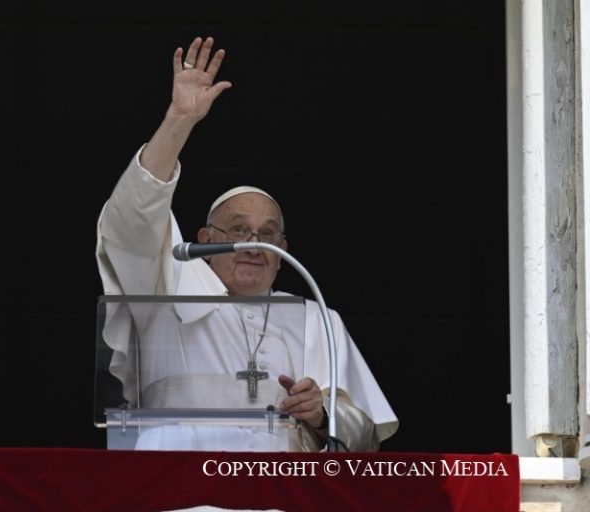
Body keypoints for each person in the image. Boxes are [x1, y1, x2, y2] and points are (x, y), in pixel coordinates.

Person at [96, 36, 398, 452]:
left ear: (283, 250)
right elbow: (133, 218)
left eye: (268, 234)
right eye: (238, 230)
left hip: (281, 480)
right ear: (205, 241)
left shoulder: (317, 320)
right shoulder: (164, 290)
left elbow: (363, 436)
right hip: (178, 473)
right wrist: (179, 119)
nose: (254, 246)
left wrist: (322, 414)